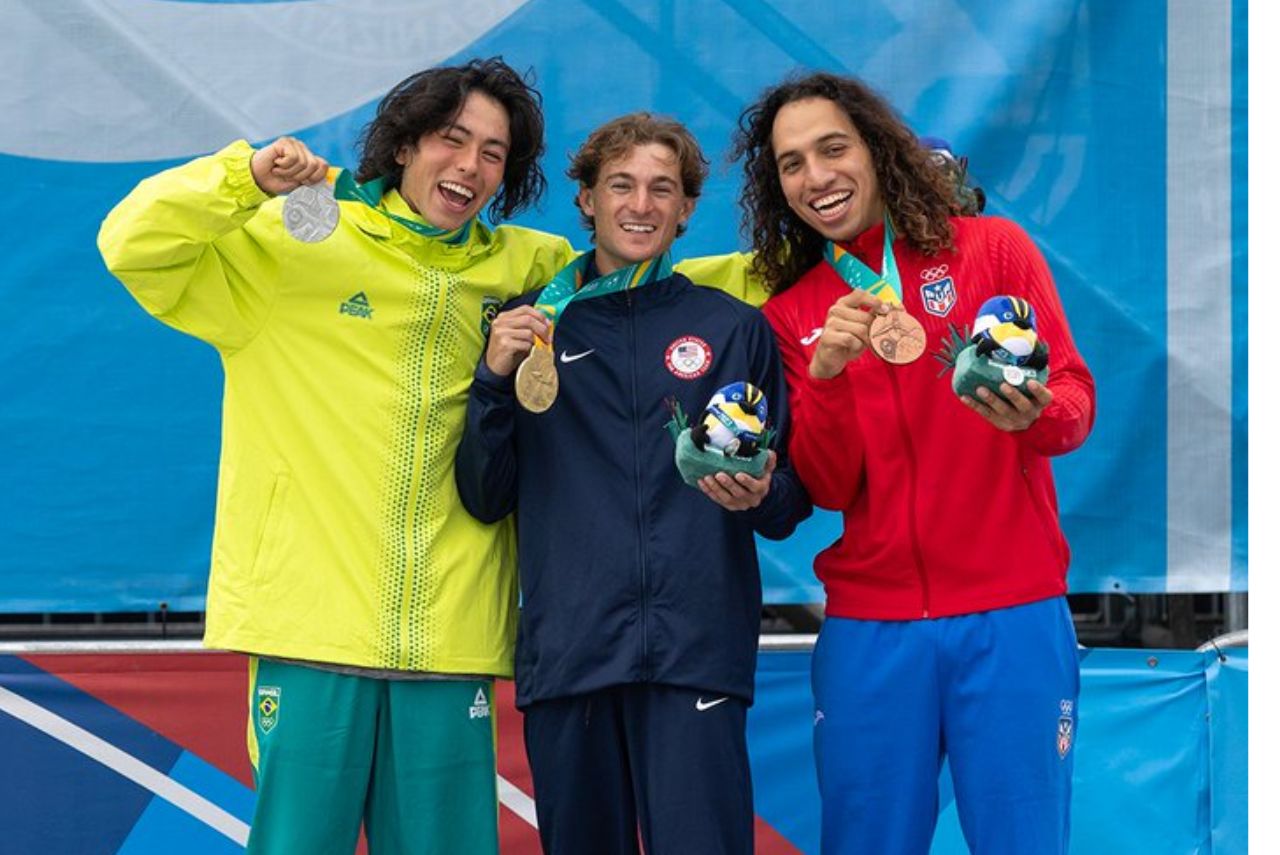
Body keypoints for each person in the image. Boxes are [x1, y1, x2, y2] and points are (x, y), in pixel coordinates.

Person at [98, 58, 577, 854]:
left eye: (494, 153)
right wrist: (243, 176)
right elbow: (132, 242)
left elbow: (655, 296)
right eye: (451, 139)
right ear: (401, 146)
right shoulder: (297, 242)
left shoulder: (527, 270)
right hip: (310, 630)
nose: (469, 166)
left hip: (449, 638)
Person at [731, 72, 1096, 854]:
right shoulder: (795, 313)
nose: (816, 176)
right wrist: (824, 379)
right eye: (791, 163)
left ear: (879, 149)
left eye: (833, 148)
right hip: (873, 631)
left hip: (1012, 612)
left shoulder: (992, 250)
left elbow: (1072, 401)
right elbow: (828, 486)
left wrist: (1035, 416)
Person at [455, 113, 811, 855]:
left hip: (696, 653)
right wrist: (491, 382)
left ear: (686, 208)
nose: (640, 205)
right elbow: (485, 496)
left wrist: (760, 492)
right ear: (585, 198)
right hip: (573, 656)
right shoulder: (533, 328)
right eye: (620, 185)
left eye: (662, 189)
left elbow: (786, 502)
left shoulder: (733, 327)